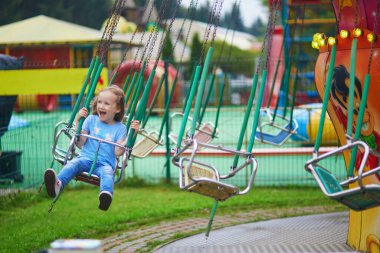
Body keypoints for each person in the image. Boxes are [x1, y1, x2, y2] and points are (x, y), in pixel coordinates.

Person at [44, 85, 140, 211]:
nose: (101, 106)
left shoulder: (120, 128)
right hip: (84, 159)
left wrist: (131, 135)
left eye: (106, 103)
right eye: (99, 102)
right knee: (72, 164)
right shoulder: (90, 120)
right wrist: (78, 120)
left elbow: (118, 151)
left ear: (117, 109)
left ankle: (106, 196)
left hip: (105, 164)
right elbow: (80, 142)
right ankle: (57, 185)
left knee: (108, 173)